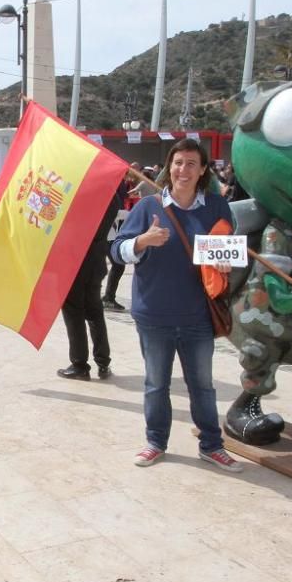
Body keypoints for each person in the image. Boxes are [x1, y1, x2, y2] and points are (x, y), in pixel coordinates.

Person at [111, 138, 242, 472]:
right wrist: (142, 241)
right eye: (178, 162)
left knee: (203, 386)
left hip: (198, 314)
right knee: (156, 384)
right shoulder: (148, 207)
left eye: (192, 164)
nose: (184, 170)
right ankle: (155, 442)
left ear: (202, 172)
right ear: (170, 167)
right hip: (153, 314)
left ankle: (211, 445)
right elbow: (115, 251)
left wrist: (225, 263)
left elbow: (227, 248)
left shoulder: (215, 206)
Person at [58, 186, 121, 380]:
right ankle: (103, 362)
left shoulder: (79, 193)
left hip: (74, 260)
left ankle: (79, 364)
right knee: (94, 310)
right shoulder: (112, 196)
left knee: (73, 310)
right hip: (96, 261)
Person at [102, 182, 129, 311]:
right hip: (107, 234)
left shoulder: (112, 190)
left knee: (116, 265)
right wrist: (127, 214)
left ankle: (108, 297)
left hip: (111, 233)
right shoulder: (107, 191)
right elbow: (111, 213)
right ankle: (108, 298)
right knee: (118, 265)